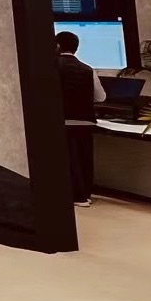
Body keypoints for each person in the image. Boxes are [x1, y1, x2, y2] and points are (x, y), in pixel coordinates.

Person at [57, 31, 105, 207]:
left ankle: (76, 196)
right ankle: (85, 194)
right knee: (84, 158)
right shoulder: (88, 69)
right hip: (86, 121)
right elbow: (100, 97)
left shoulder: (52, 66)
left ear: (57, 46)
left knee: (69, 159)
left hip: (62, 120)